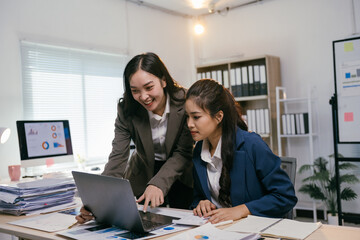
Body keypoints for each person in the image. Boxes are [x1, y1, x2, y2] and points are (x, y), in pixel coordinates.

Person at [76, 52, 193, 223]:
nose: (143, 97)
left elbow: (182, 152)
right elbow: (118, 156)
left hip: (180, 174)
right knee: (142, 226)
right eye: (135, 91)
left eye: (149, 87)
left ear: (163, 80)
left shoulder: (186, 101)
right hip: (143, 173)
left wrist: (159, 183)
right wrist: (98, 198)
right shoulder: (127, 109)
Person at [185, 79, 297, 224]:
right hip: (215, 229)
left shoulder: (252, 144)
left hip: (253, 229)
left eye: (196, 117)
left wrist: (242, 210)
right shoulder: (199, 150)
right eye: (187, 116)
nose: (189, 124)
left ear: (219, 117)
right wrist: (202, 203)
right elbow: (199, 195)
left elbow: (285, 196)